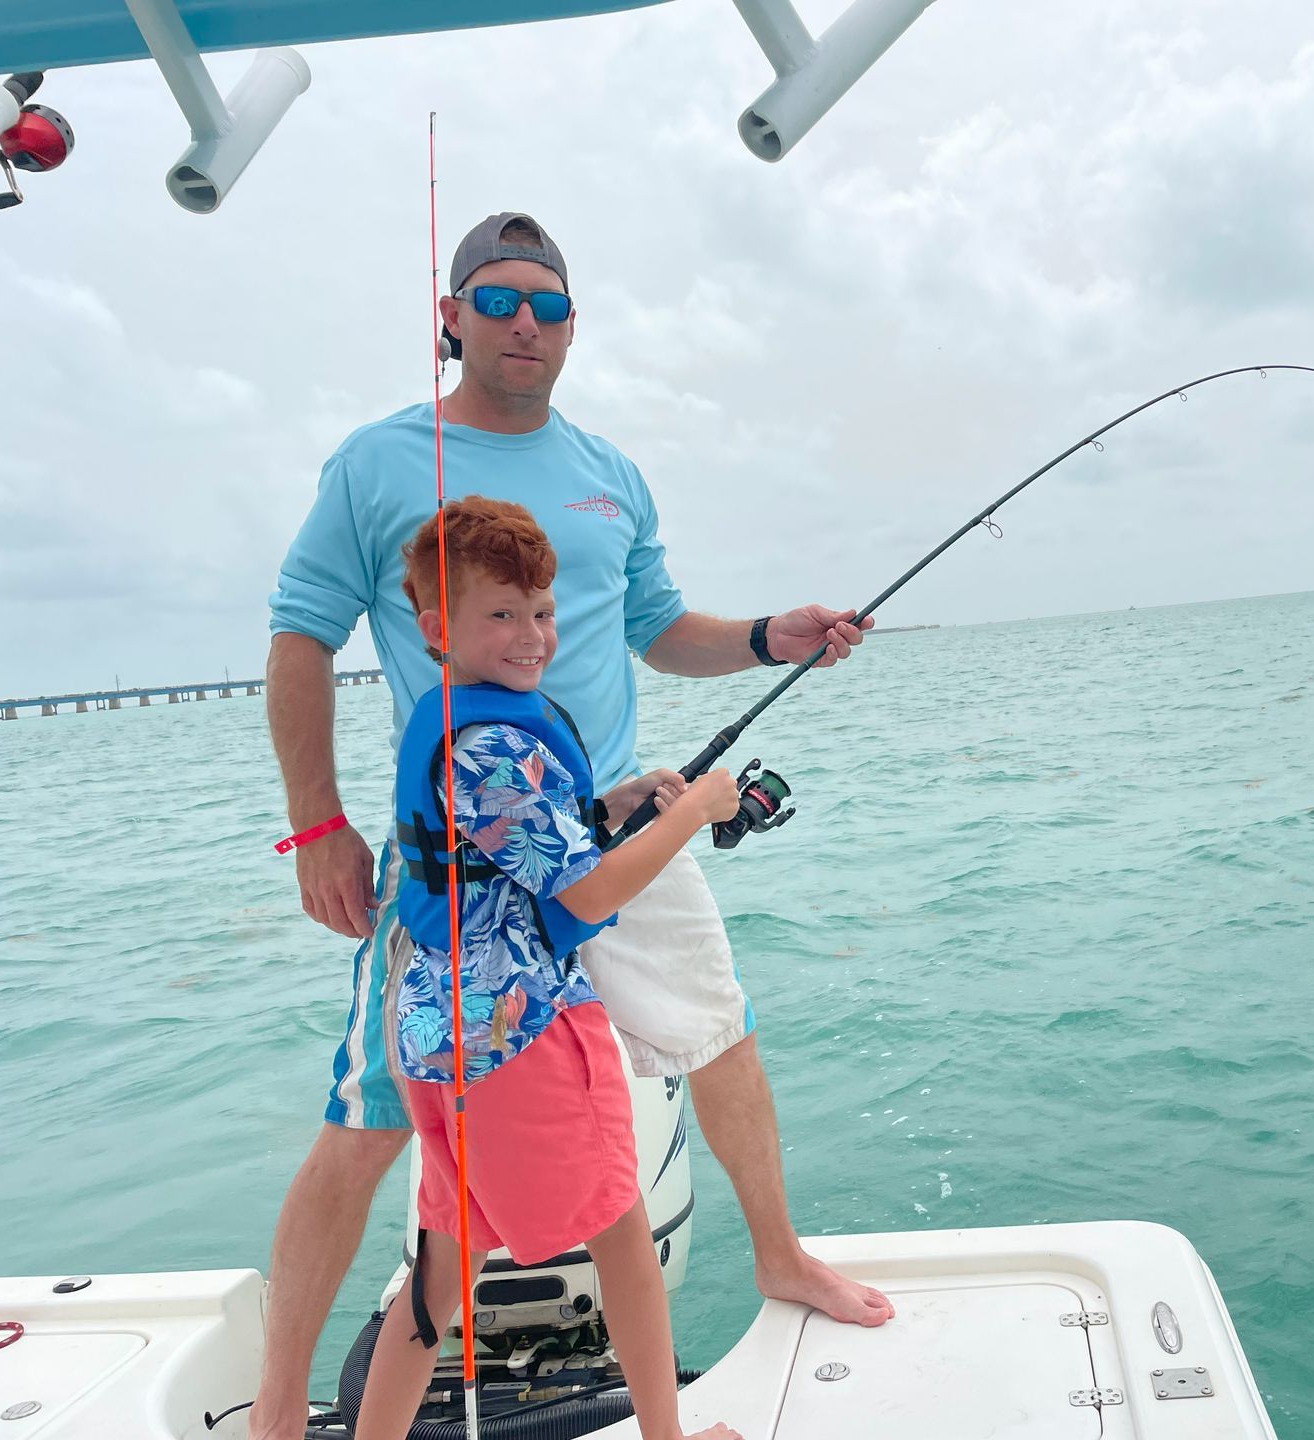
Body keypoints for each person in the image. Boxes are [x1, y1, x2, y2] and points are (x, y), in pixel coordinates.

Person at [254, 212, 890, 1439]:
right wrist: (316, 824)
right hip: (468, 862)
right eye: (496, 301)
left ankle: (780, 1257)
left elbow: (658, 626)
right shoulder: (378, 462)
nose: (524, 324)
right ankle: (281, 1419)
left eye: (547, 304)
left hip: (617, 814)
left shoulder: (610, 470)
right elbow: (299, 633)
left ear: (573, 324)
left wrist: (774, 637)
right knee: (371, 1122)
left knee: (721, 1036)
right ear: (449, 316)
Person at [354, 496, 740, 1440]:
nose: (531, 637)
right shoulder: (493, 742)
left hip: (435, 1036)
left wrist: (618, 802)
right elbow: (584, 899)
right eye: (500, 615)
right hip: (519, 1034)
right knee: (621, 1235)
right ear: (437, 626)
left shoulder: (464, 729)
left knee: (439, 1274)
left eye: (542, 612)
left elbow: (518, 852)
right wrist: (692, 814)